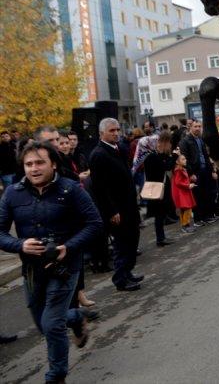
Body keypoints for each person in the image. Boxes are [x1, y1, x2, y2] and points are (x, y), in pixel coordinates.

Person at [0, 141, 102, 383]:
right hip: (32, 271)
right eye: (29, 164)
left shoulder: (71, 189)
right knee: (42, 323)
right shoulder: (12, 194)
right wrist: (20, 245)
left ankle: (56, 376)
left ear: (53, 164)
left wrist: (69, 246)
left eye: (40, 162)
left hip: (65, 268)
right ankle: (76, 317)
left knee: (52, 323)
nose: (34, 168)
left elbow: (95, 223)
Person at [88, 118, 143, 291]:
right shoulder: (99, 154)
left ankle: (127, 272)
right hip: (116, 210)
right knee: (122, 243)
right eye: (112, 130)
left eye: (117, 130)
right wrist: (112, 211)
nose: (116, 133)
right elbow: (100, 188)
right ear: (102, 133)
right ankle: (120, 278)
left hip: (128, 204)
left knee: (132, 240)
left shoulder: (116, 149)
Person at [179, 120, 219, 225]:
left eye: (199, 126)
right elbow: (185, 159)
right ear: (190, 128)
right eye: (195, 126)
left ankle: (207, 216)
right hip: (195, 172)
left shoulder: (200, 139)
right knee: (197, 196)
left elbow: (206, 156)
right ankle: (198, 219)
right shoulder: (185, 141)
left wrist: (212, 171)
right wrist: (191, 173)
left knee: (207, 194)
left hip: (205, 170)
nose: (197, 128)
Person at [141, 132, 176, 246]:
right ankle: (160, 239)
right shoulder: (152, 156)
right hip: (157, 188)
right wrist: (173, 157)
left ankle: (161, 237)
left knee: (160, 214)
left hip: (159, 187)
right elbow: (166, 167)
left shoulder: (156, 155)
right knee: (159, 215)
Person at [171, 152, 197, 233]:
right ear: (177, 162)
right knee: (187, 208)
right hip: (182, 193)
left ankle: (185, 225)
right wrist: (188, 185)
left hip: (183, 192)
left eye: (185, 159)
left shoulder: (181, 169)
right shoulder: (179, 170)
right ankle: (186, 225)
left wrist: (189, 180)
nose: (185, 160)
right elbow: (178, 182)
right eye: (183, 159)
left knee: (184, 209)